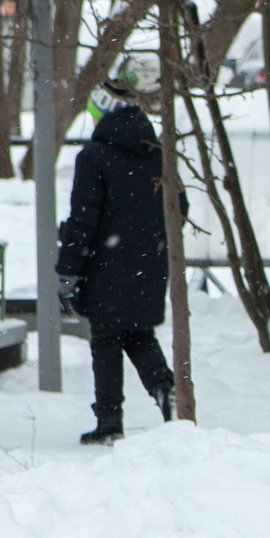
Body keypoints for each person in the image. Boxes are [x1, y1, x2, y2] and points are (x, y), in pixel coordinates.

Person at [56, 75, 175, 446]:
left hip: (105, 264)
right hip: (149, 262)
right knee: (138, 333)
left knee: (106, 339)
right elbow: (178, 207)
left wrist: (68, 270)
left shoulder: (93, 157)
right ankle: (165, 388)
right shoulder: (156, 151)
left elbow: (83, 220)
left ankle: (109, 422)